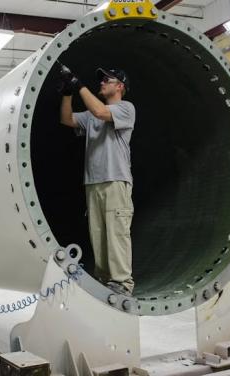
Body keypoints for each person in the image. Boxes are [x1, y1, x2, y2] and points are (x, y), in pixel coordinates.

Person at [58, 64, 136, 296]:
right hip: (93, 183)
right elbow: (66, 119)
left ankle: (122, 283)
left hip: (115, 181)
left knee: (116, 233)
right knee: (99, 233)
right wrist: (67, 94)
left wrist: (79, 85)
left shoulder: (125, 109)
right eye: (100, 80)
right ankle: (104, 281)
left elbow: (102, 112)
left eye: (107, 80)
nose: (101, 83)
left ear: (120, 87)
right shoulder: (91, 117)